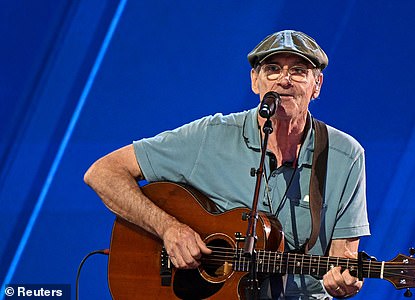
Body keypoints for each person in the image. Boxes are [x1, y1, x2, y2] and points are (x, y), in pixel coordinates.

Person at [84, 29, 370, 299]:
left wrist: (344, 282)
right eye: (273, 69)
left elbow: (343, 258)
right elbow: (103, 173)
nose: (285, 80)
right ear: (255, 81)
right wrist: (168, 229)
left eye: (298, 71)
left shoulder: (345, 155)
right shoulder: (210, 135)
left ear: (316, 85)